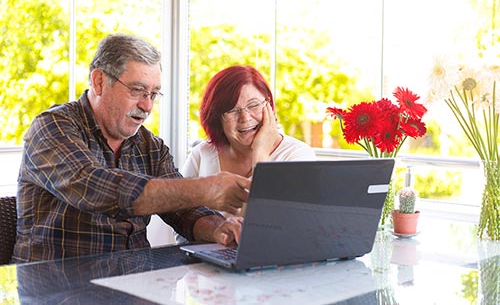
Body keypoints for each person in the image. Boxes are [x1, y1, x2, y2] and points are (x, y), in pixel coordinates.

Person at [12, 34, 250, 263]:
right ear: (99, 82)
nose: (147, 105)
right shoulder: (52, 127)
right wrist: (205, 189)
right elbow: (95, 188)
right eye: (137, 90)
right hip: (56, 289)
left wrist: (219, 227)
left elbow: (183, 210)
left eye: (154, 94)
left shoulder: (150, 146)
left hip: (134, 284)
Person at [176, 65, 316, 243]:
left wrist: (260, 155)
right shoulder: (202, 154)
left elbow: (270, 232)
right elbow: (180, 227)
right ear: (217, 117)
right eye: (232, 110)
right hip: (204, 263)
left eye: (253, 105)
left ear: (269, 107)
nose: (245, 118)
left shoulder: (297, 156)